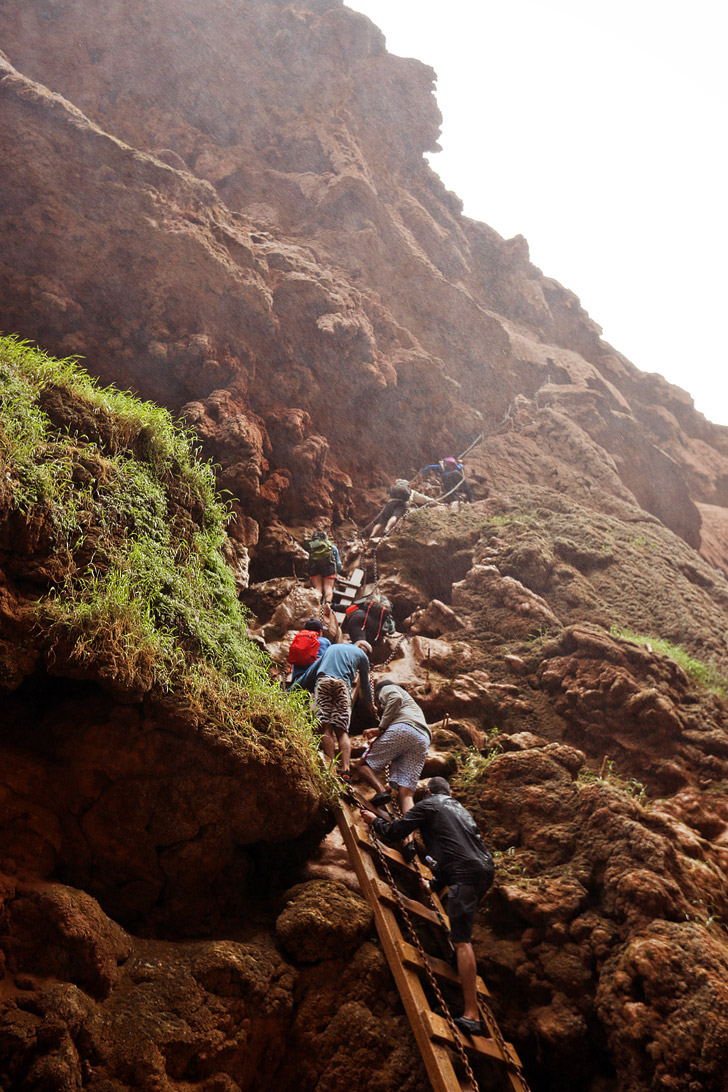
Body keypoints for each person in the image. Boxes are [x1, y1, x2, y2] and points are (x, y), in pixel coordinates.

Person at [361, 777, 494, 1037]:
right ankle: (459, 959)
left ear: (429, 791)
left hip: (464, 873)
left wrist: (374, 820)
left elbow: (396, 831)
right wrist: (434, 884)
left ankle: (472, 1015)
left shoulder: (429, 805)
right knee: (462, 930)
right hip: (483, 870)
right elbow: (456, 850)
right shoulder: (460, 810)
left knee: (462, 939)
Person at [354, 679, 431, 813]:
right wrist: (380, 730)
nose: (381, 706)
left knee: (362, 765)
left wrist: (380, 728)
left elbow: (395, 699)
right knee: (406, 793)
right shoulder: (410, 708)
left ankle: (381, 791)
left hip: (404, 729)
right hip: (422, 738)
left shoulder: (387, 688)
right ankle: (408, 834)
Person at [309, 640, 376, 780]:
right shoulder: (361, 655)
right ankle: (345, 769)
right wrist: (370, 704)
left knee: (325, 726)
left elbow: (313, 669)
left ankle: (331, 768)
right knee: (341, 730)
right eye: (368, 654)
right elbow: (365, 683)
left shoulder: (332, 648)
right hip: (342, 685)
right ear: (364, 648)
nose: (367, 656)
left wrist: (293, 688)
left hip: (323, 682)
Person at [287, 618, 331, 689]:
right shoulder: (324, 641)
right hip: (314, 678)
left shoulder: (298, 639)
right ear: (320, 631)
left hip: (297, 677)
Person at [303, 530, 342, 604]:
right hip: (329, 568)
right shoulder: (331, 547)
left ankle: (317, 604)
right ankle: (327, 604)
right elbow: (338, 564)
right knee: (328, 588)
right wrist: (337, 571)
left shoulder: (311, 546)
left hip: (314, 568)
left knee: (318, 588)